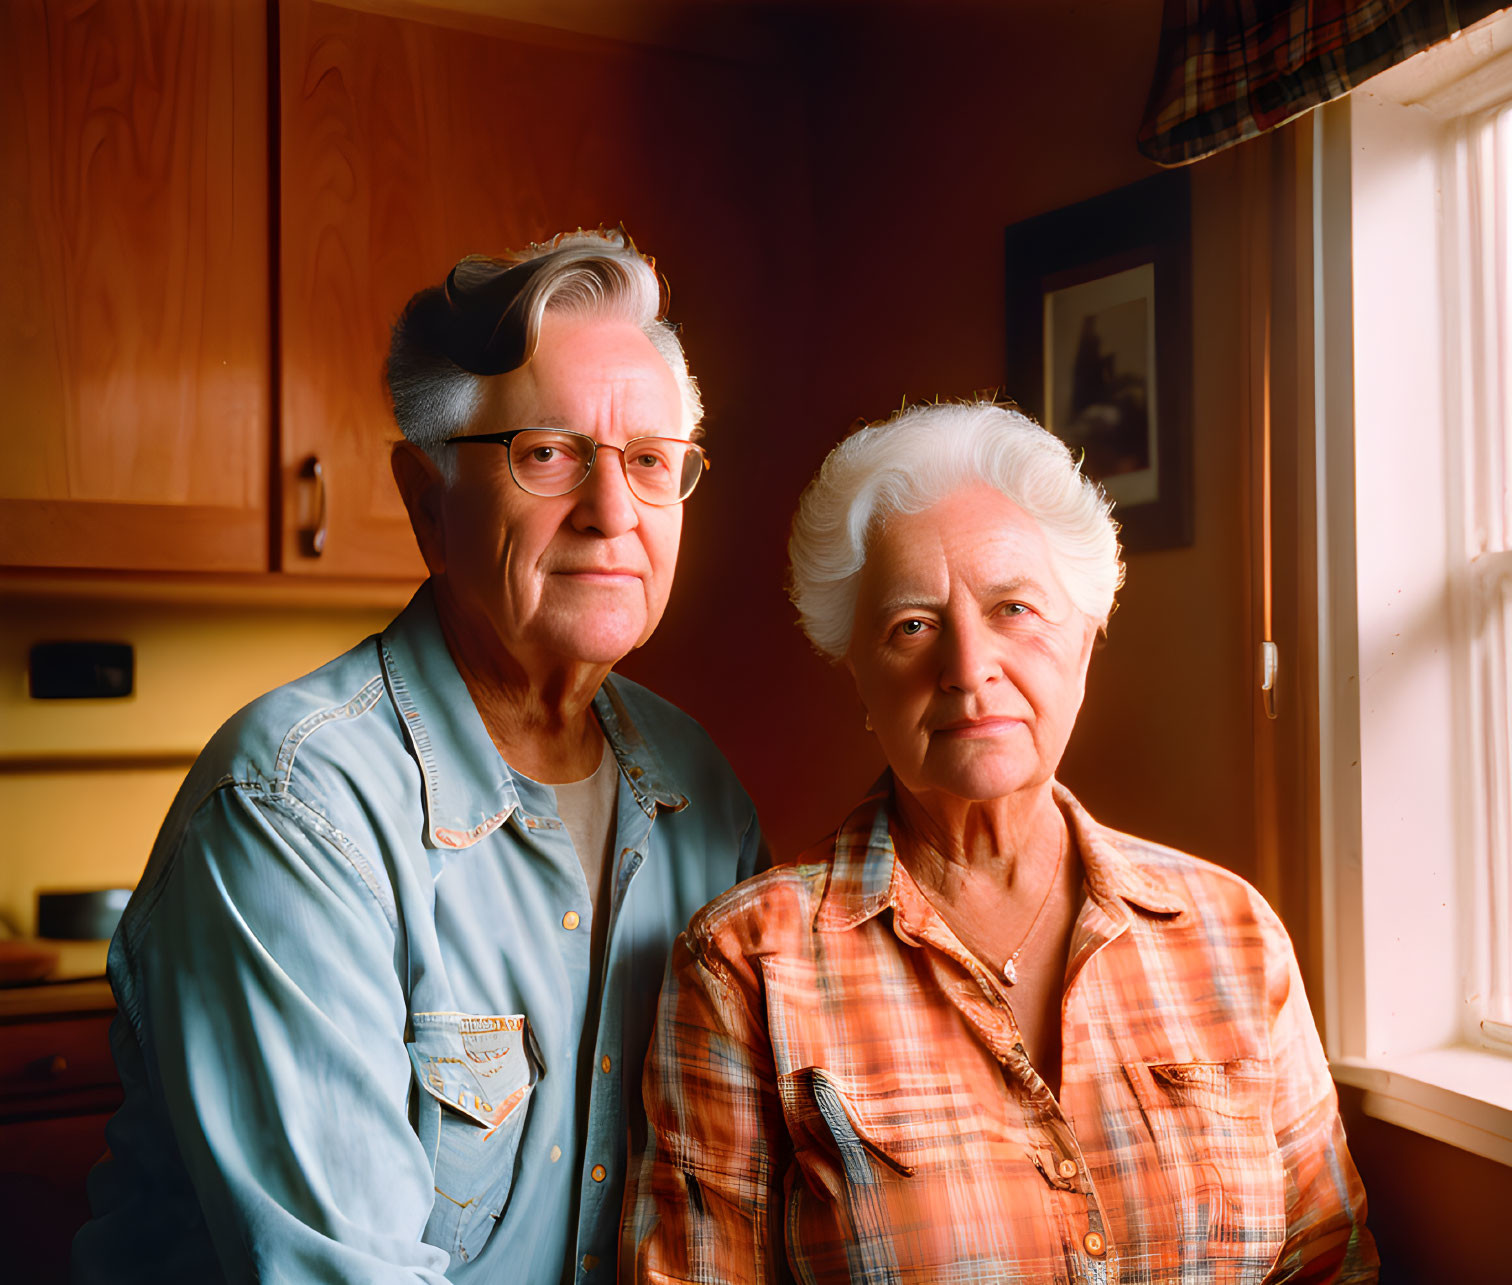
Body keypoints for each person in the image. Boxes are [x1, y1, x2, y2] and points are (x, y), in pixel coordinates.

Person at [73, 229, 762, 1284]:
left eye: (651, 463)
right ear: (427, 502)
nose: (613, 511)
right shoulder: (292, 806)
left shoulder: (700, 792)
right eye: (547, 452)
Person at [625, 402, 1377, 1283]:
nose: (967, 666)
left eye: (1014, 607)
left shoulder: (1232, 932)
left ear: (1086, 639)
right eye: (911, 624)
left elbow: (1329, 1263)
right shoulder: (745, 964)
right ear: (857, 672)